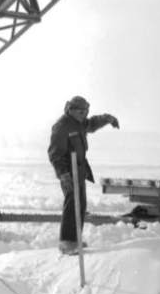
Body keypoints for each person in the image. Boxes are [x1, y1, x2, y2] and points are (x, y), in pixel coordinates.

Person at [48, 95, 120, 254]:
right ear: (71, 110)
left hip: (80, 170)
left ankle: (76, 240)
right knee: (71, 207)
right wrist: (63, 174)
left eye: (86, 111)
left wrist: (107, 119)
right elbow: (54, 154)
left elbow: (92, 123)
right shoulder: (62, 127)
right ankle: (66, 243)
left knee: (80, 206)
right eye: (81, 111)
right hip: (68, 171)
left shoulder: (79, 122)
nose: (84, 114)